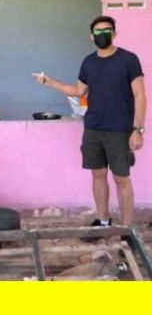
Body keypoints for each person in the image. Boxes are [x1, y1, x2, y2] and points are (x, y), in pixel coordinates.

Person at [37, 15, 146, 228]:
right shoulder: (89, 62)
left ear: (114, 34)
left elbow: (140, 96)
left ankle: (126, 229)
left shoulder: (128, 60)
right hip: (93, 129)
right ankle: (104, 221)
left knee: (121, 179)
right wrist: (50, 82)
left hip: (120, 131)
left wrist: (138, 129)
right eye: (98, 32)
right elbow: (79, 91)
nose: (102, 35)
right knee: (98, 175)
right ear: (91, 37)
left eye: (106, 31)